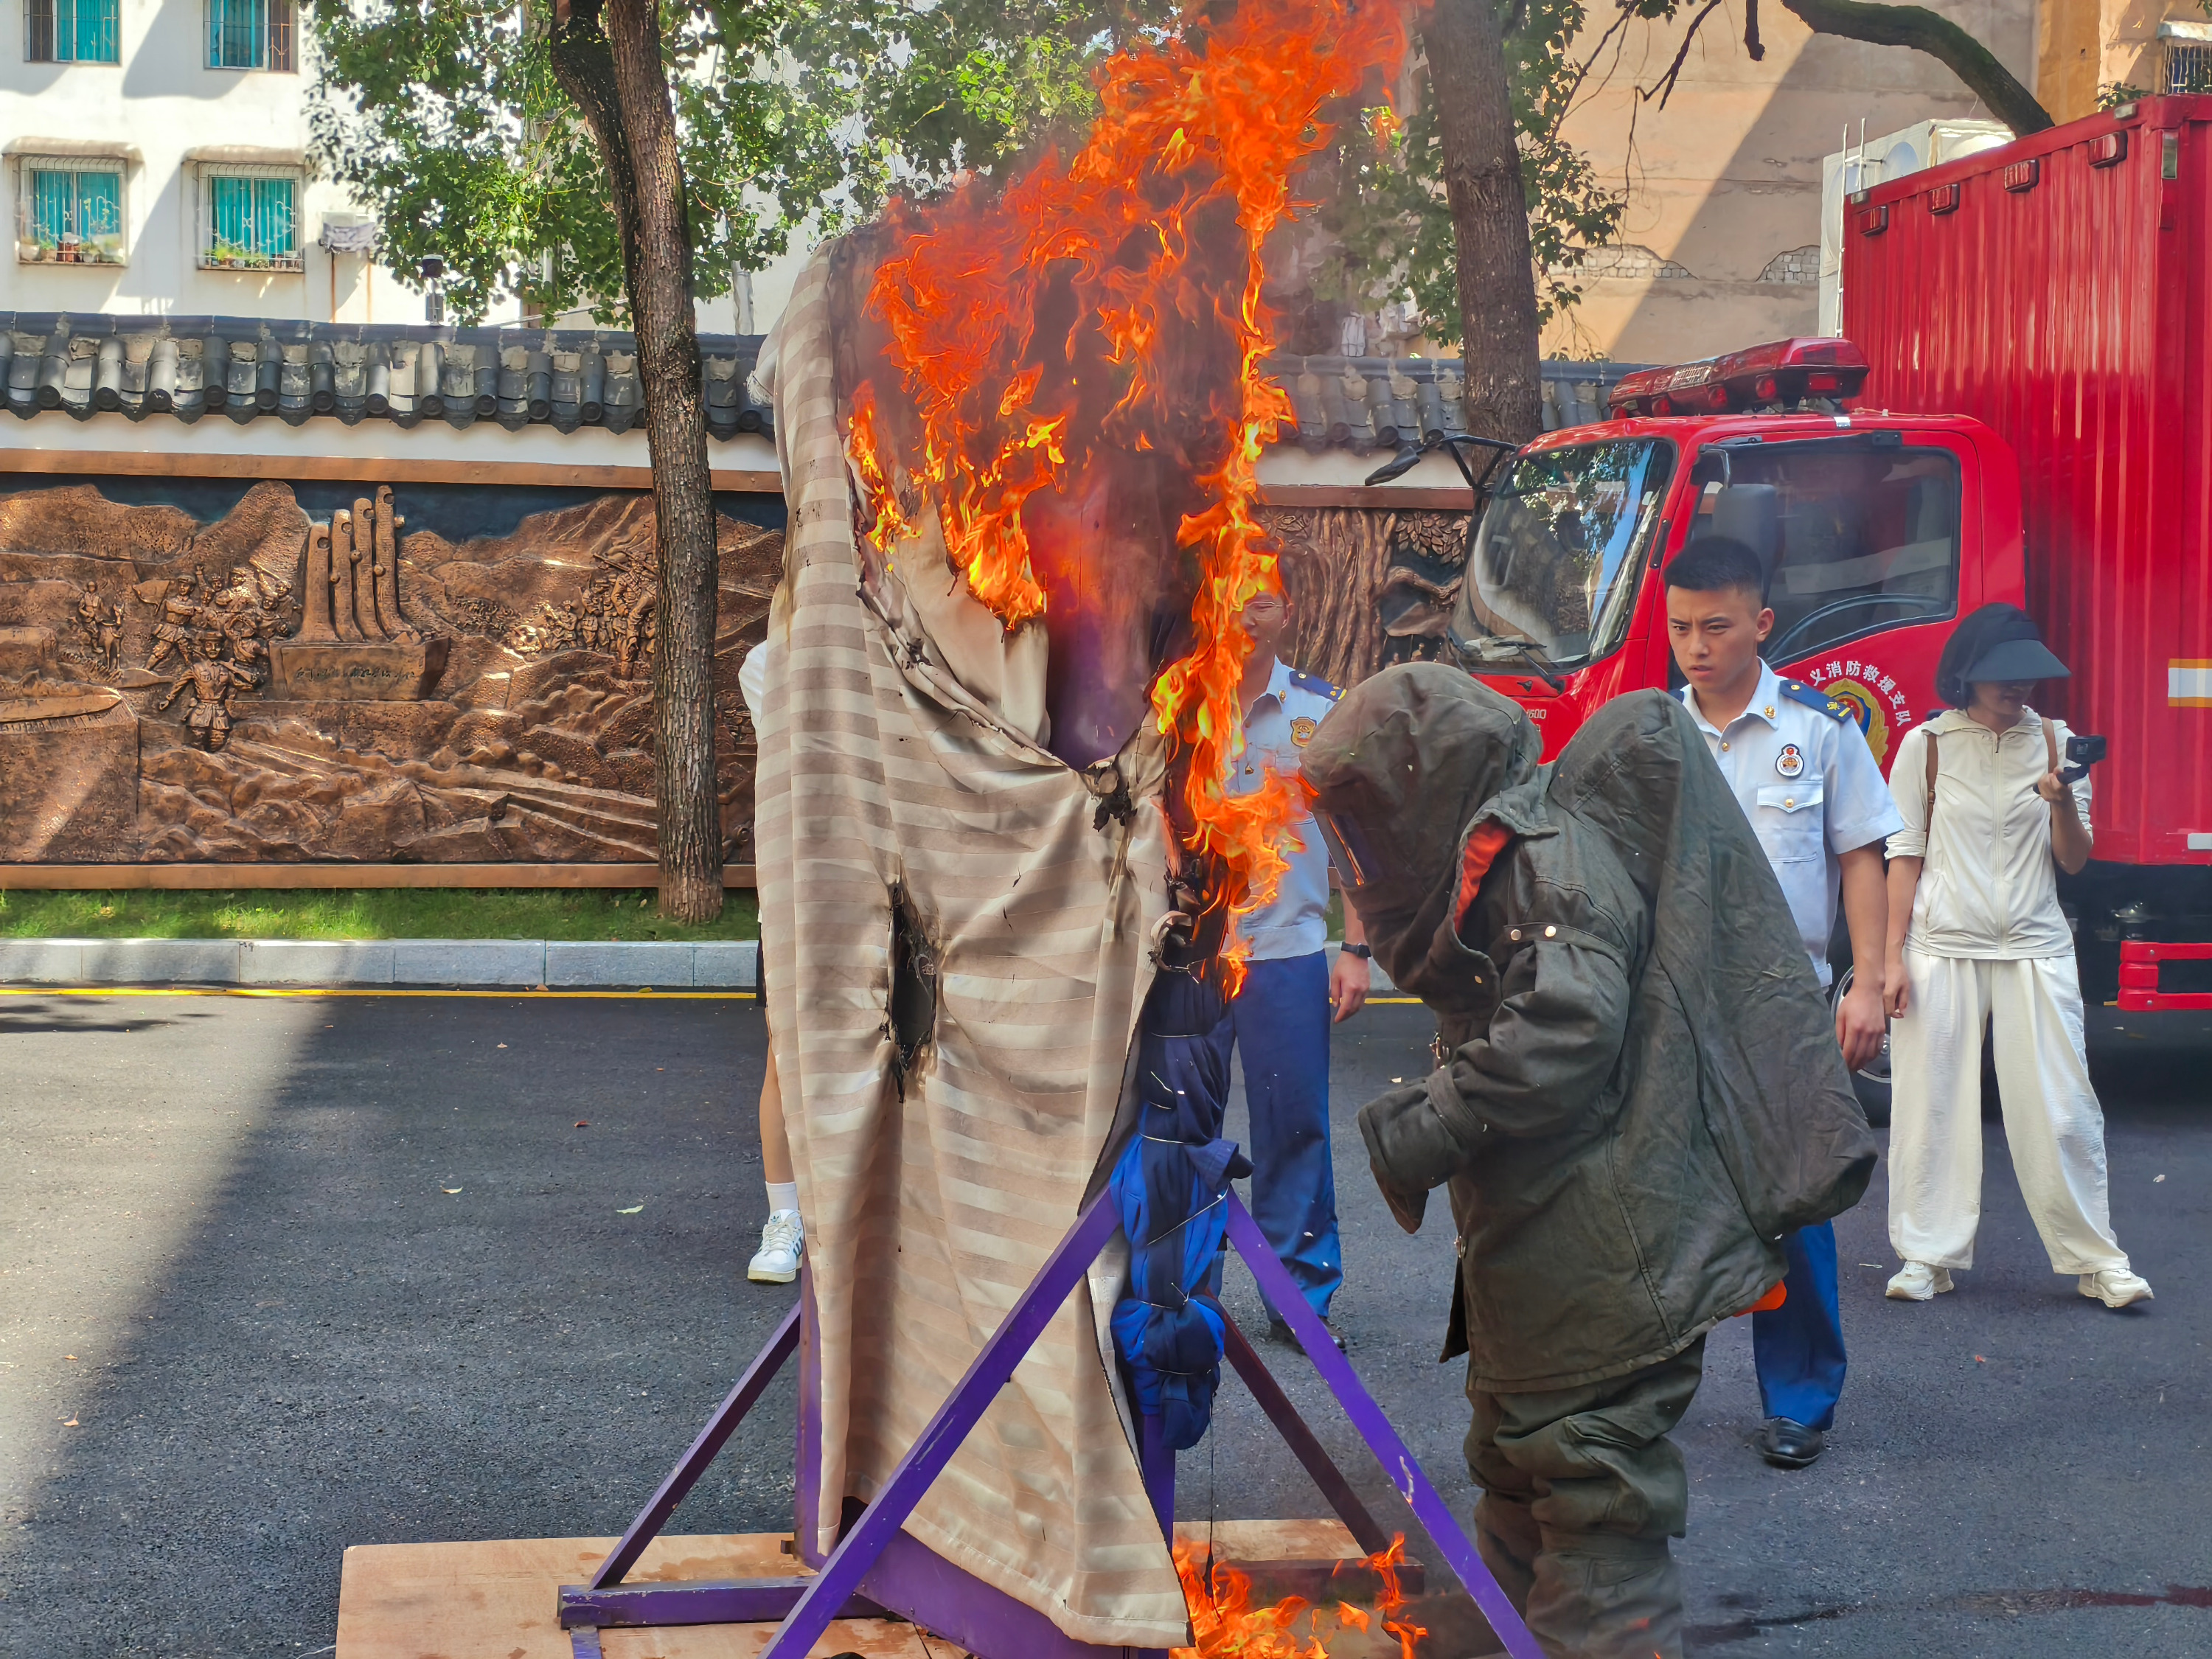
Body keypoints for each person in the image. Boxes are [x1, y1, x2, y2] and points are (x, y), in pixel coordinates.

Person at [1306, 666, 1874, 1659]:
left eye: (1369, 823)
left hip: (1610, 1254)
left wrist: (1425, 1124)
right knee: (1522, 1468)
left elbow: (1567, 1029)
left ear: (1426, 781)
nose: (1361, 857)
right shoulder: (1518, 856)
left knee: (1590, 1489)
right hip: (1556, 1249)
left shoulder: (1547, 858)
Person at [1663, 538, 1901, 1470]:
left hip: (1785, 1011)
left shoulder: (1821, 731)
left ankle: (1800, 1402)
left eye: (1716, 626)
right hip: (1675, 1005)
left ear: (1761, 624)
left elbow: (1861, 859)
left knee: (1796, 1208)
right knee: (1664, 1204)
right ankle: (1647, 1389)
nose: (1695, 646)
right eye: (1680, 627)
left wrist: (1871, 982)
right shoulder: (1658, 736)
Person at [1880, 604, 2151, 1309]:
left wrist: (2061, 800)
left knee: (2065, 1111)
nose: (2019, 687)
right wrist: (1889, 959)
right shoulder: (1926, 746)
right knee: (1930, 1107)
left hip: (2036, 945)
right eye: (2004, 675)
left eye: (2029, 675)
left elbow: (2075, 859)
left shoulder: (2059, 743)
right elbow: (1903, 856)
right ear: (1966, 674)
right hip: (1942, 947)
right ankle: (1924, 1257)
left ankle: (2098, 1260)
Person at [1221, 588, 1370, 1346]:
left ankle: (1300, 1299)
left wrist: (1356, 946)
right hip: (1192, 957)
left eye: (1262, 600)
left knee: (1295, 1127)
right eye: (1230, 595)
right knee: (1181, 1129)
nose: (1244, 615)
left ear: (1286, 612)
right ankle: (1184, 1296)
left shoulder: (1321, 711)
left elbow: (1352, 837)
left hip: (1287, 950)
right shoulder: (1177, 704)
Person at [738, 639, 804, 1284]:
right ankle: (784, 1220)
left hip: (891, 899)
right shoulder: (768, 662)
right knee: (785, 1060)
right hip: (797, 899)